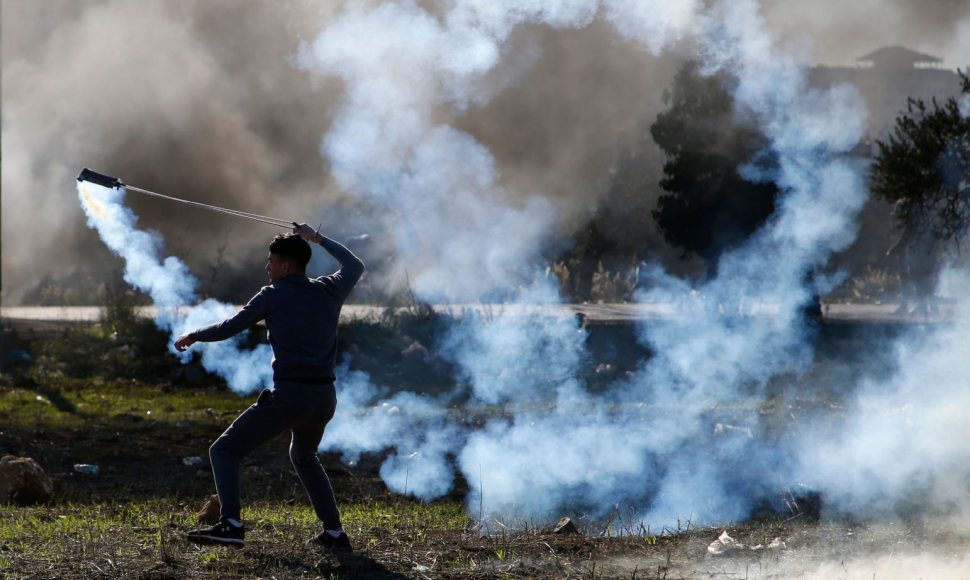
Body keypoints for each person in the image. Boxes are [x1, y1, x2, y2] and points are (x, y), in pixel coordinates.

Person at [175, 223, 364, 550]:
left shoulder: (272, 295)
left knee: (224, 450)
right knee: (304, 457)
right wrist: (317, 239)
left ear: (286, 266)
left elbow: (229, 327)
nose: (267, 267)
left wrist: (194, 335)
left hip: (290, 396)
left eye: (271, 262)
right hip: (324, 398)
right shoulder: (329, 289)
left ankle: (230, 526)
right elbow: (355, 265)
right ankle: (335, 533)